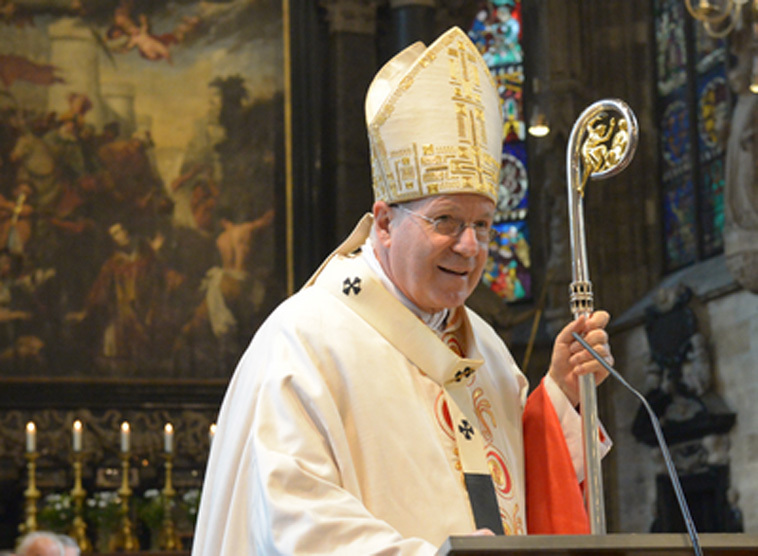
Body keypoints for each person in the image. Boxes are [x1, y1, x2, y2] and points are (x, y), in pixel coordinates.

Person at [191, 26, 613, 555]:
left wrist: (560, 395)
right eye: (446, 220)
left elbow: (518, 502)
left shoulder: (492, 356)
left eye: (483, 225)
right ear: (385, 222)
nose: (469, 246)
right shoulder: (304, 341)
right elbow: (293, 519)